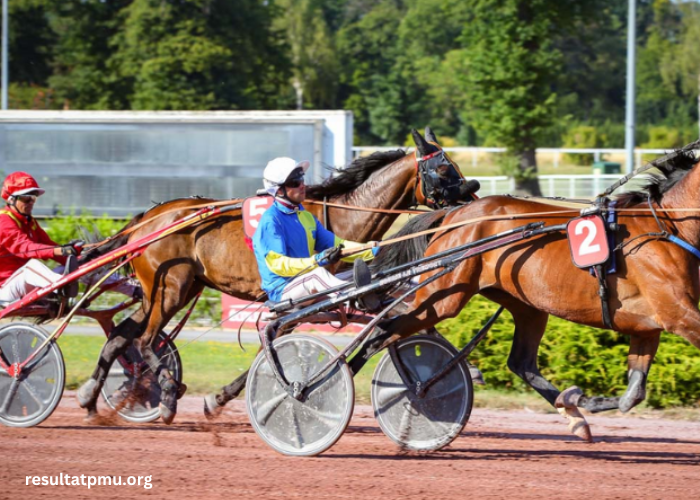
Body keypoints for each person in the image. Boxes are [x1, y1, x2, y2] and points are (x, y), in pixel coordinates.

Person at [253, 157, 379, 304]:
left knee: (367, 272)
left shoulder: (307, 217)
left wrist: (371, 249)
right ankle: (356, 299)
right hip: (282, 290)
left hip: (306, 283)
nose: (302, 185)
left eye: (301, 179)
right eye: (295, 182)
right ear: (279, 191)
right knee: (317, 274)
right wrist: (316, 261)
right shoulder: (271, 220)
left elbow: (338, 245)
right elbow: (279, 265)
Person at [0, 171, 139, 304]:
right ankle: (64, 291)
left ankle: (133, 289)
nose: (31, 202)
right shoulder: (4, 221)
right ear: (11, 199)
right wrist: (61, 251)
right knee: (32, 267)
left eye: (33, 197)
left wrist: (75, 256)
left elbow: (50, 247)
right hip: (6, 290)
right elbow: (26, 249)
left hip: (26, 285)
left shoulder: (29, 221)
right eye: (26, 198)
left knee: (81, 266)